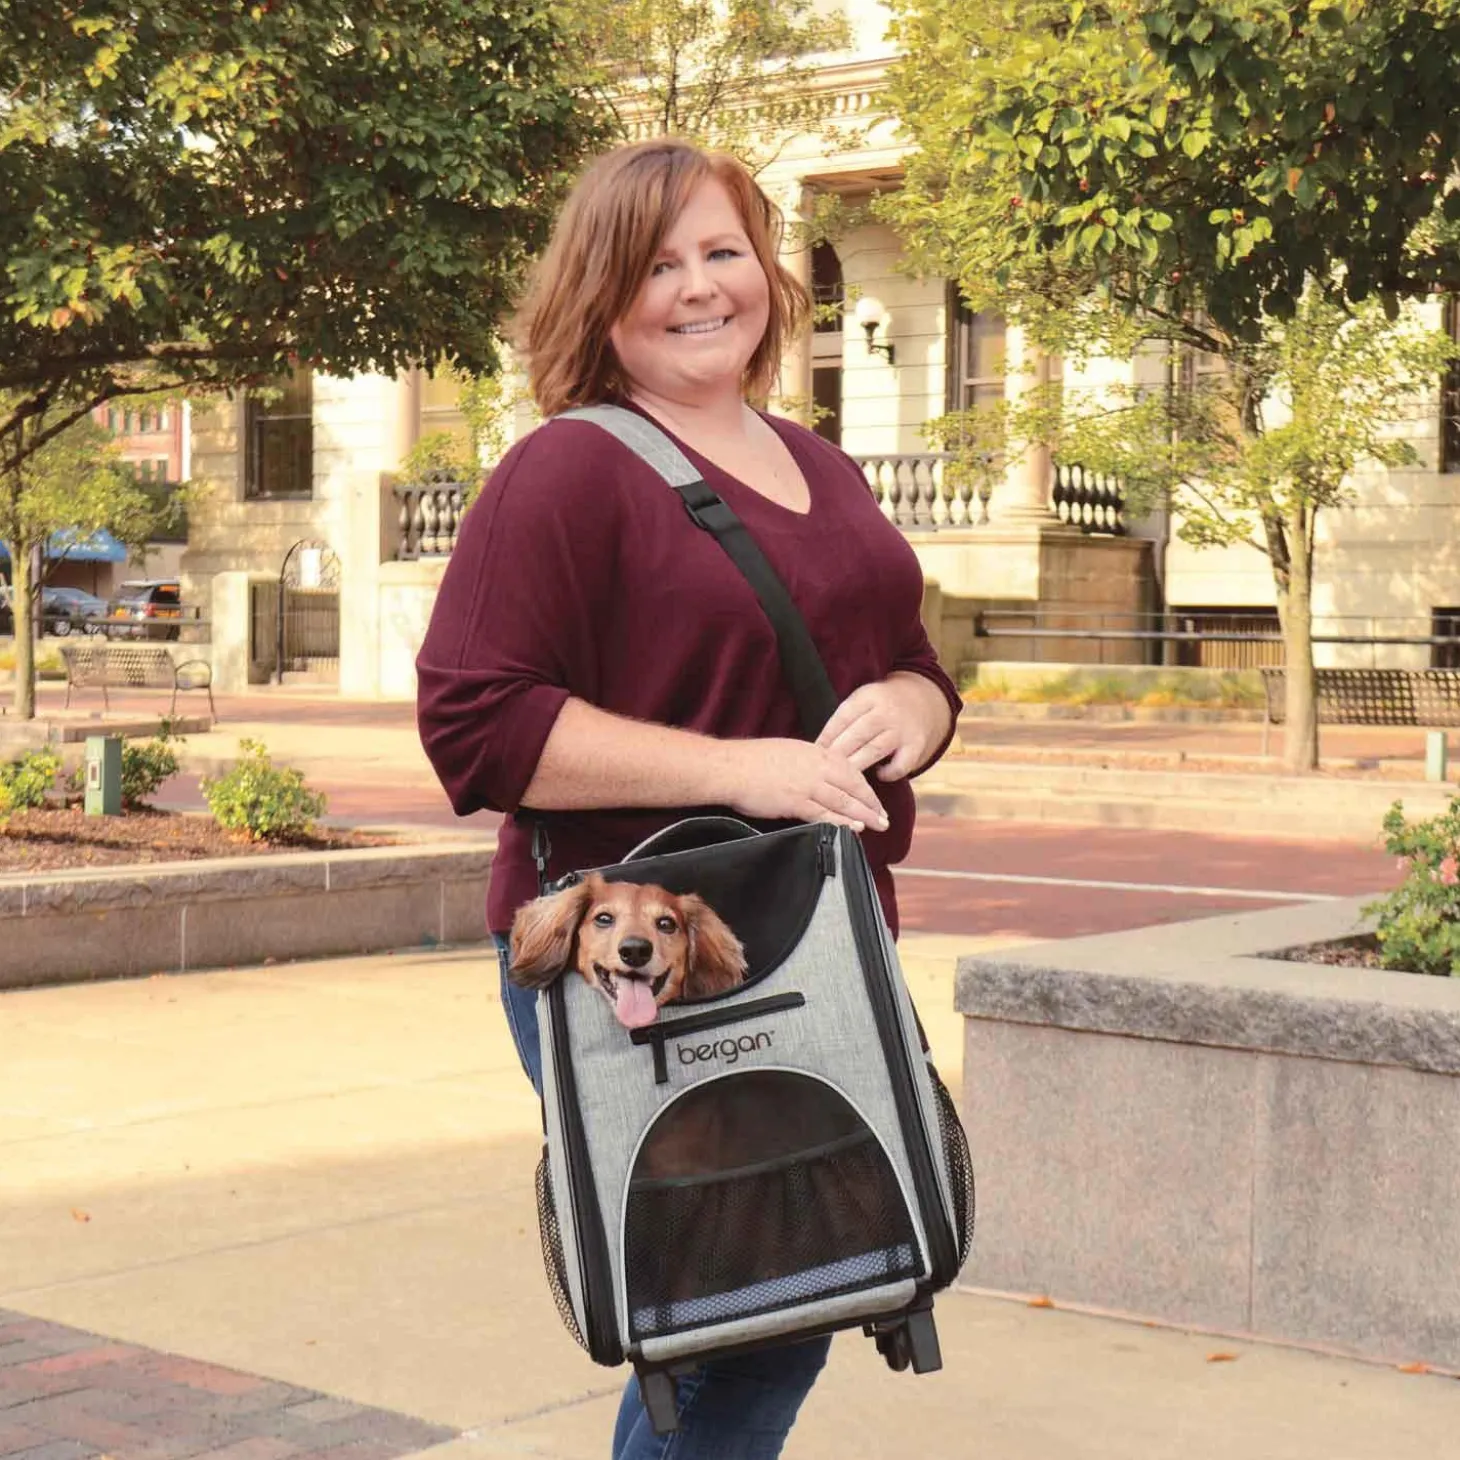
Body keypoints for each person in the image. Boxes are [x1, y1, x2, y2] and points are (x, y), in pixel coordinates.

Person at [416, 138, 962, 1460]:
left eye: (723, 252)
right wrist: (741, 771)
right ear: (603, 295)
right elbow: (474, 723)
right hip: (640, 956)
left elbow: (916, 664)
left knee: (805, 1285)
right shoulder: (566, 470)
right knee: (734, 1312)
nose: (700, 287)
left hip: (819, 944)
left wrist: (915, 710)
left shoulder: (815, 463)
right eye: (659, 266)